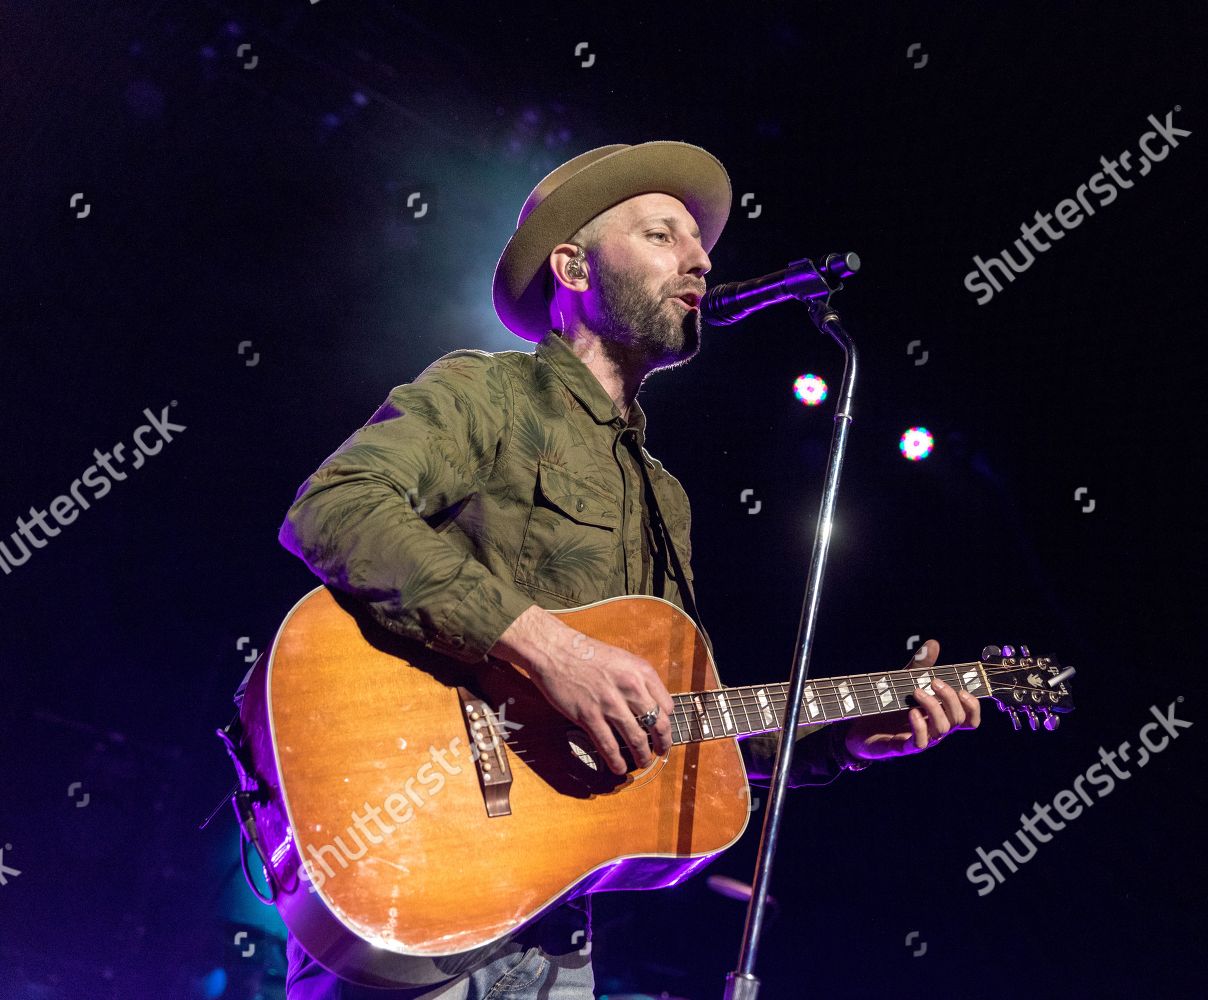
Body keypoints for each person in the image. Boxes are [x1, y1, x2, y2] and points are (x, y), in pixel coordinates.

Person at [272, 140, 982, 999]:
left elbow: (670, 726)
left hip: (557, 922)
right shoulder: (486, 393)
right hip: (417, 864)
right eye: (662, 235)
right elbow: (335, 506)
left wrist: (845, 739)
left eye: (698, 244)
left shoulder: (665, 496)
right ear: (572, 264)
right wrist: (547, 649)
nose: (702, 260)